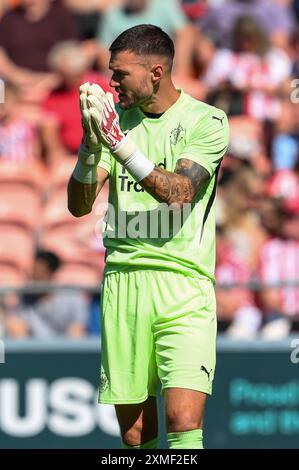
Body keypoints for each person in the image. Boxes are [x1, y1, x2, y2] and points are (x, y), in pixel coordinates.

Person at [67, 24, 229, 449]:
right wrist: (89, 146)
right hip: (123, 282)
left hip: (185, 286)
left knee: (183, 419)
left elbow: (179, 193)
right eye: (110, 72)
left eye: (120, 74)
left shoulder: (207, 121)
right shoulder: (112, 123)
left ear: (155, 72)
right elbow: (79, 205)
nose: (111, 82)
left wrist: (119, 145)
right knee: (137, 435)